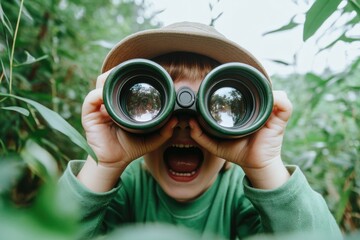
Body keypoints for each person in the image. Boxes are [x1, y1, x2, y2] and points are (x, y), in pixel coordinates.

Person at [59, 22, 342, 239]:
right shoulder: (126, 187)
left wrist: (265, 166)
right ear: (122, 117)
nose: (183, 125)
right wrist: (104, 165)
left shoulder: (242, 195)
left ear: (248, 121)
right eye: (153, 106)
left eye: (217, 108)